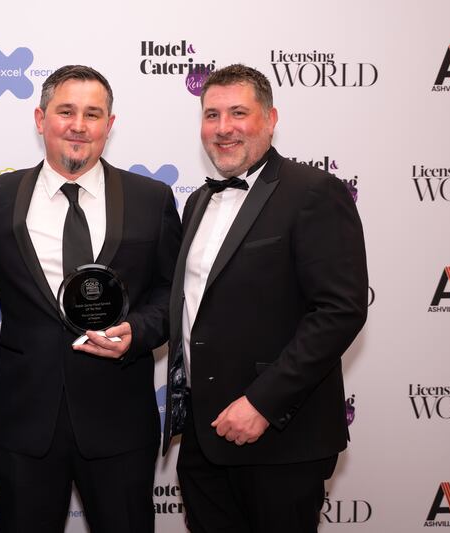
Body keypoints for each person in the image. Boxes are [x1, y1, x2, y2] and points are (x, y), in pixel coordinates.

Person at [163, 64, 368, 533]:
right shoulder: (197, 202)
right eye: (212, 115)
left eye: (239, 113)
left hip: (279, 438)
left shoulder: (314, 192)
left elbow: (339, 311)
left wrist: (261, 403)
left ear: (271, 119)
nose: (223, 127)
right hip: (203, 438)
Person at [0, 65, 181, 532]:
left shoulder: (151, 198)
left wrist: (137, 332)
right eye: (66, 111)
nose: (78, 125)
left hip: (120, 421)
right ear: (40, 118)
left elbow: (173, 292)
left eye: (93, 114)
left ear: (110, 124)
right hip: (24, 422)